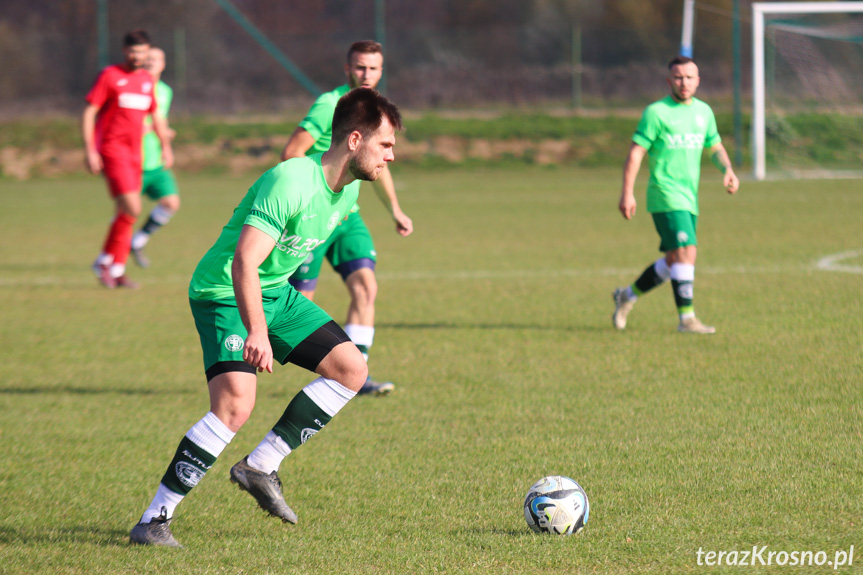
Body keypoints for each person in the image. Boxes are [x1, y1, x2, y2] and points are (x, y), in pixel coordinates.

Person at [129, 88, 402, 547]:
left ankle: (260, 465)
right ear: (355, 138)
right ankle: (153, 520)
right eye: (386, 144)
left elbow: (292, 259)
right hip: (224, 291)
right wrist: (258, 329)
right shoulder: (291, 180)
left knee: (351, 370)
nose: (391, 156)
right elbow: (244, 261)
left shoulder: (349, 190)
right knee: (236, 405)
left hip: (273, 292)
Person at [280, 40, 413, 396]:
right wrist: (299, 202)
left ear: (382, 71)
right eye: (359, 67)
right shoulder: (331, 105)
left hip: (347, 216)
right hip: (312, 214)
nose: (365, 74)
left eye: (372, 68)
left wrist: (395, 210)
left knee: (366, 287)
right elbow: (291, 153)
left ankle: (357, 376)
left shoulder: (379, 112)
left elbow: (379, 164)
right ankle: (242, 356)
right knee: (299, 302)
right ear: (347, 69)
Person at [612, 56, 739, 334]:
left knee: (674, 260)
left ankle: (626, 296)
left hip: (689, 197)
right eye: (678, 77)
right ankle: (687, 320)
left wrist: (727, 168)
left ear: (698, 81)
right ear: (669, 81)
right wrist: (627, 193)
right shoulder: (656, 113)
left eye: (689, 77)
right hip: (664, 194)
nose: (684, 83)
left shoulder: (704, 112)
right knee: (686, 252)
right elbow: (636, 154)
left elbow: (714, 146)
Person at [82, 29, 174, 288]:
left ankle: (115, 267)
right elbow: (90, 112)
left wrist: (166, 146)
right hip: (113, 152)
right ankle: (105, 262)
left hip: (137, 155)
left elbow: (156, 116)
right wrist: (90, 150)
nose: (138, 56)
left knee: (127, 213)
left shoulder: (146, 81)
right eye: (133, 51)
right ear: (125, 51)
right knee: (132, 208)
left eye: (142, 52)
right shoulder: (110, 76)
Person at [130, 46, 180, 269]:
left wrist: (166, 140)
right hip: (133, 161)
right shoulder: (134, 88)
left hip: (157, 161)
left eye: (156, 59)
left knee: (171, 202)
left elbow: (160, 120)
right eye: (148, 58)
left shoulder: (165, 91)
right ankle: (111, 261)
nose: (151, 62)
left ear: (164, 64)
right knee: (128, 212)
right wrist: (155, 129)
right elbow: (133, 124)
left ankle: (137, 242)